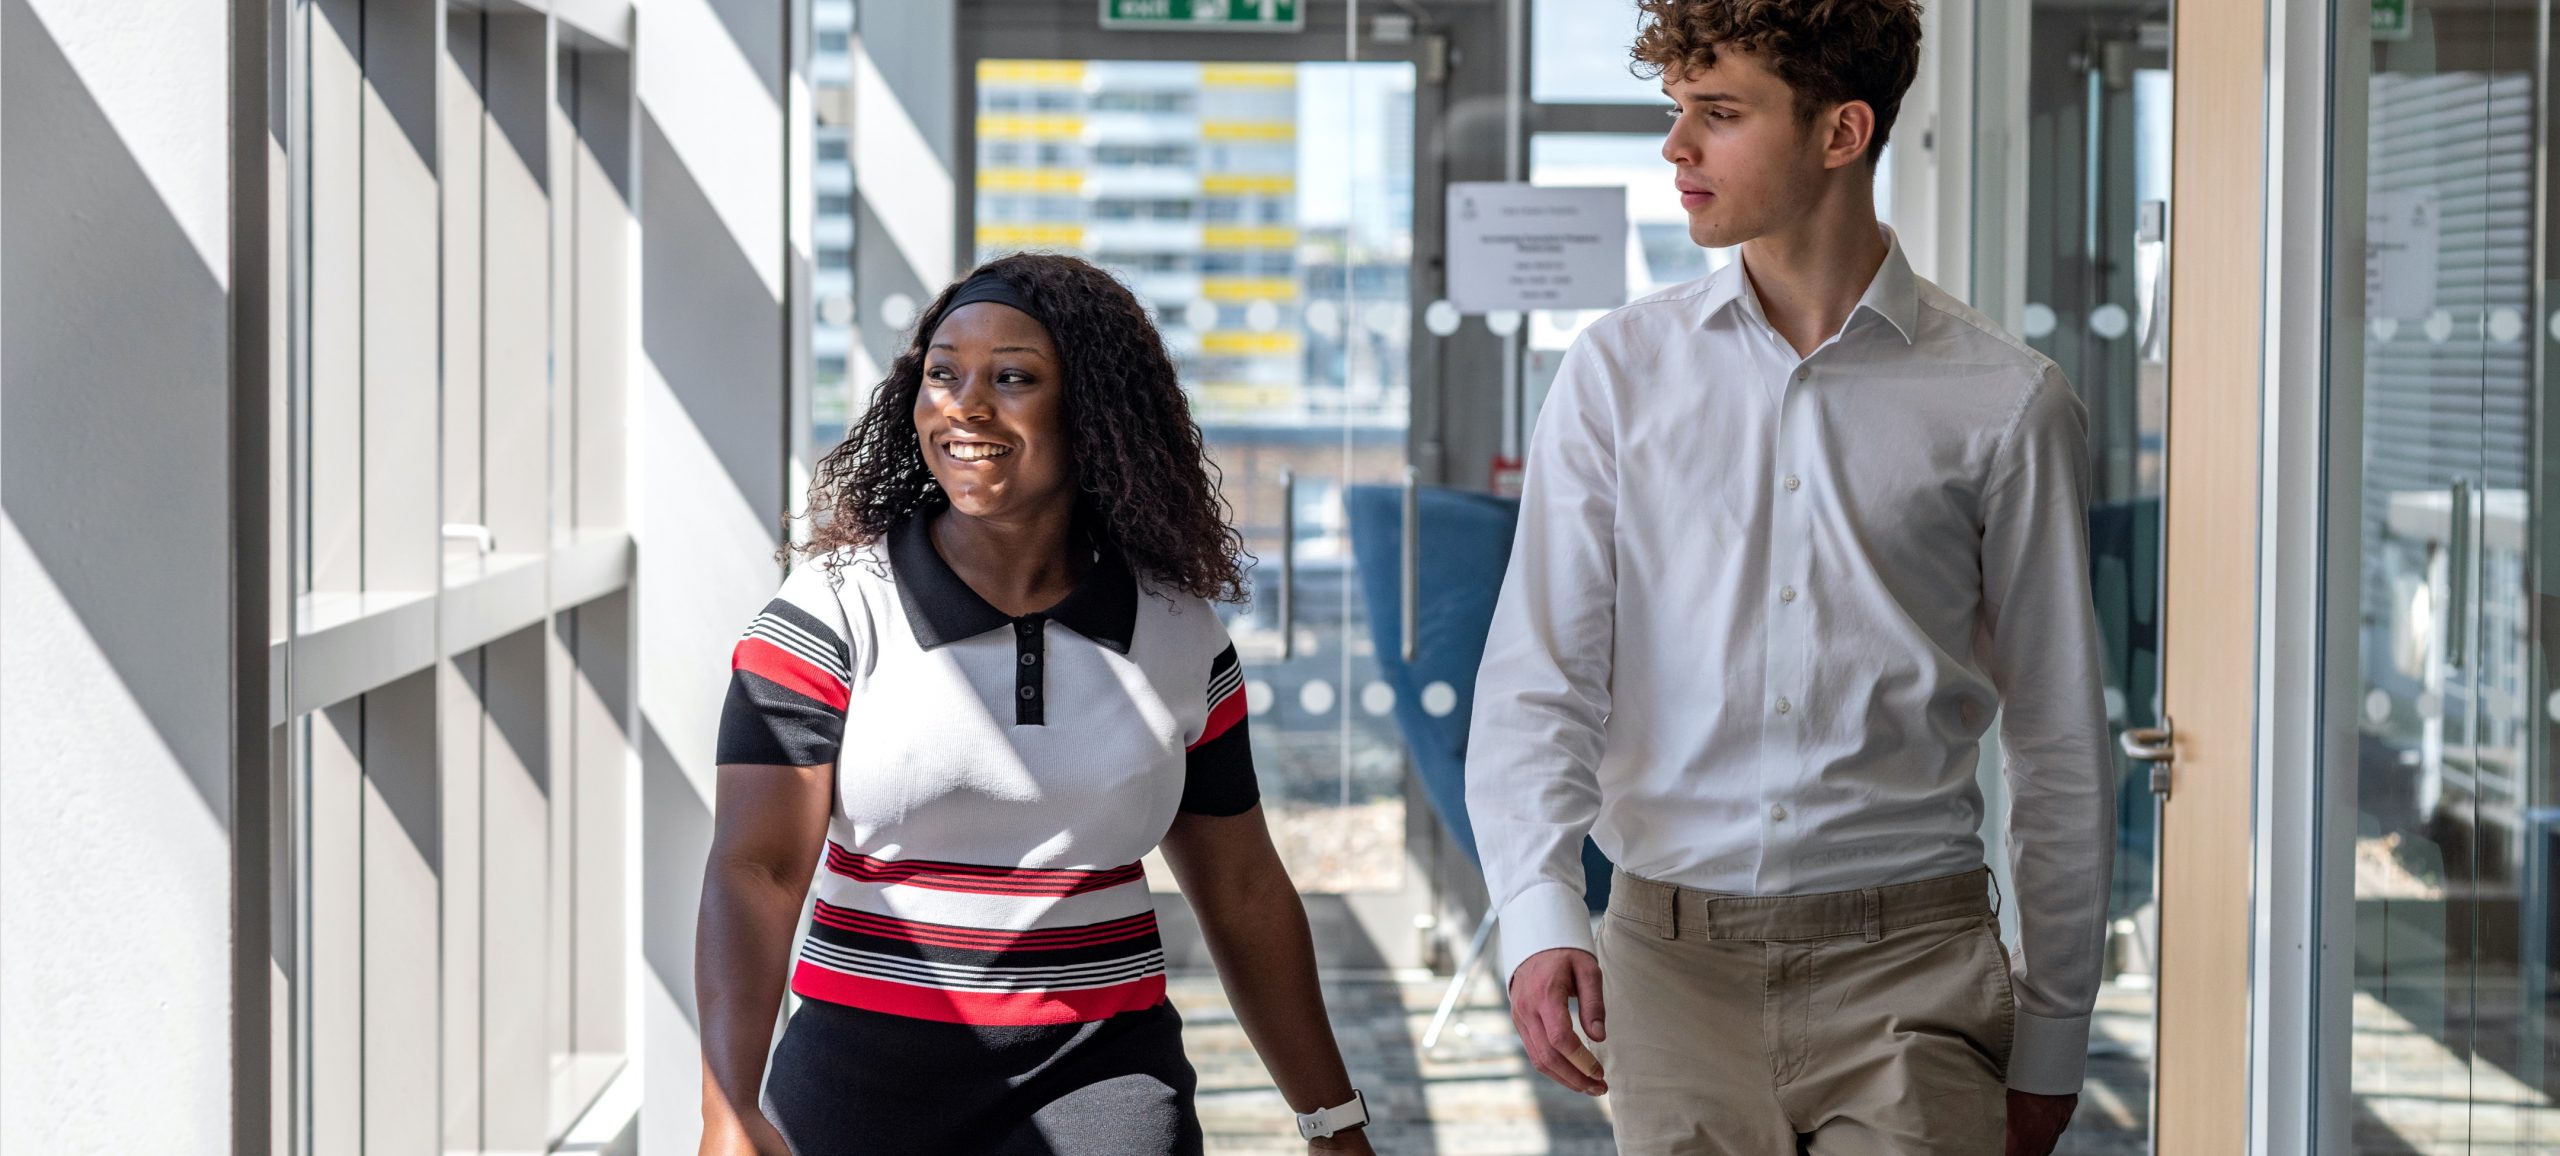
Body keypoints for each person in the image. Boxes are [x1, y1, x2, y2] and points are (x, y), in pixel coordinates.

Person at [1464, 2, 2113, 1154]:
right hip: (1664, 975)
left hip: (1916, 971)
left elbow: (2059, 739)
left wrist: (2055, 1026)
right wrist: (1536, 907)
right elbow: (1540, 679)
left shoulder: (2007, 402)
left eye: (1718, 116)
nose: (1677, 149)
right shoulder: (1616, 374)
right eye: (1677, 113)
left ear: (1840, 132)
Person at [694, 253, 1377, 1156]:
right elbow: (758, 870)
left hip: (1106, 1080)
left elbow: (1243, 889)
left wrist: (1332, 1124)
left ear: (1089, 412)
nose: (964, 406)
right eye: (942, 374)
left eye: (1012, 377)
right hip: (858, 1080)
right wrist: (728, 1110)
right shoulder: (829, 611)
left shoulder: (1176, 631)